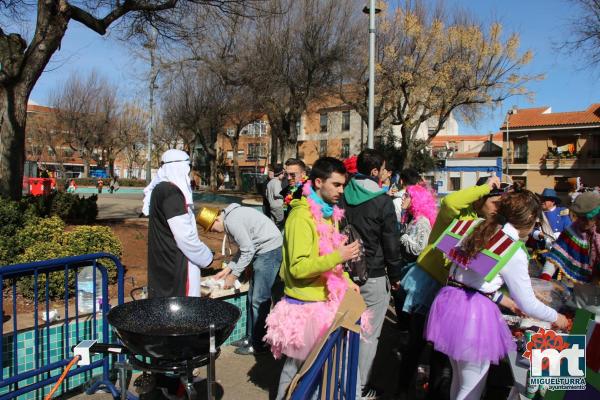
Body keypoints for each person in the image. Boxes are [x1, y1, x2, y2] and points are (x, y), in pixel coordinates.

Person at [425, 189, 570, 400]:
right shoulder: (513, 249)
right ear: (529, 219)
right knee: (470, 389)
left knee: (460, 381)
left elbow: (471, 280)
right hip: (474, 317)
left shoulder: (473, 226)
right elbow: (528, 303)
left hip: (449, 304)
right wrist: (559, 318)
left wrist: (506, 301)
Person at [263, 157, 361, 400]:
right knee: (296, 372)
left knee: (317, 375)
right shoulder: (300, 217)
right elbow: (297, 268)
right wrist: (339, 256)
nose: (342, 191)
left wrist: (348, 281)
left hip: (326, 305)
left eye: (343, 185)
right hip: (304, 310)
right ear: (318, 182)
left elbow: (330, 262)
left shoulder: (329, 214)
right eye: (336, 185)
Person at [339, 149, 404, 399]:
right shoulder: (382, 201)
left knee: (344, 332)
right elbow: (391, 243)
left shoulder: (341, 194)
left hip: (344, 273)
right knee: (368, 336)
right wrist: (396, 275)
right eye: (384, 168)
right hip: (373, 276)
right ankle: (359, 389)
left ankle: (340, 380)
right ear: (375, 171)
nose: (387, 173)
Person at [198, 203, 283, 356]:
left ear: (216, 219)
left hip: (269, 250)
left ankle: (259, 343)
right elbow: (244, 249)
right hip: (262, 249)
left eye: (212, 229)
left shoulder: (232, 222)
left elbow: (248, 250)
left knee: (259, 299)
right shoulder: (231, 218)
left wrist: (233, 275)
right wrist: (227, 269)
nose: (214, 232)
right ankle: (250, 337)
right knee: (251, 297)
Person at [143, 149, 214, 298]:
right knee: (183, 313)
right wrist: (207, 258)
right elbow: (185, 238)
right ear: (181, 168)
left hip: (162, 263)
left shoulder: (160, 189)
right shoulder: (171, 193)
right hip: (176, 265)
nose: (188, 176)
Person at [541, 191, 600, 284]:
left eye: (585, 218)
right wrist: (544, 280)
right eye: (578, 217)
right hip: (582, 290)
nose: (580, 221)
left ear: (597, 216)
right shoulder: (573, 230)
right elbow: (555, 256)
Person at [266, 165, 285, 229]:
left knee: (273, 224)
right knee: (280, 224)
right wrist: (285, 195)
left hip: (271, 205)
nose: (283, 175)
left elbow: (266, 194)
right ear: (280, 174)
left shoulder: (269, 182)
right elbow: (277, 194)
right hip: (278, 206)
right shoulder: (277, 182)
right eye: (283, 174)